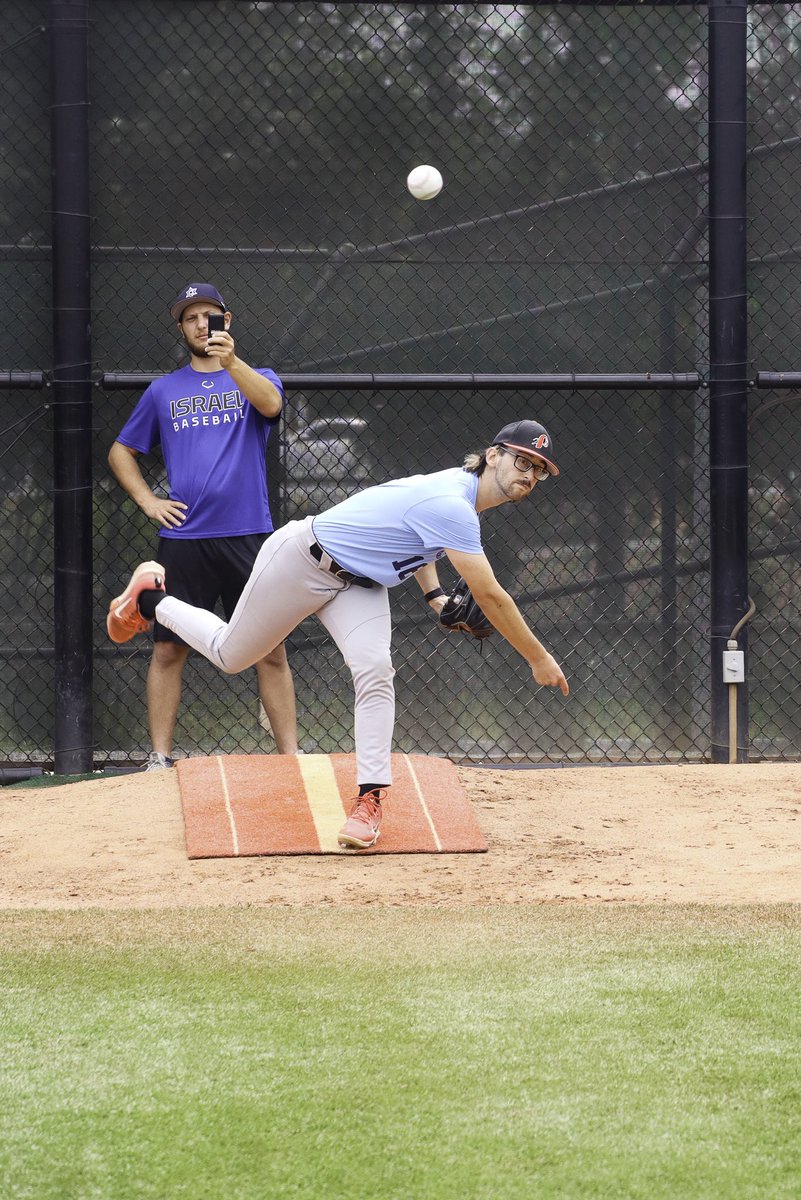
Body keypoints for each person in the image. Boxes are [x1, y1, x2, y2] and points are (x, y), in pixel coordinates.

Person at [106, 418, 569, 845]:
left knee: (375, 670)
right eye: (521, 459)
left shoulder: (456, 494)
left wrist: (434, 597)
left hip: (359, 586)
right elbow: (492, 598)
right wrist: (537, 657)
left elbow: (422, 541)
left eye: (538, 470)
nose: (528, 473)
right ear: (493, 456)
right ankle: (151, 599)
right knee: (231, 656)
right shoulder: (454, 504)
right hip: (302, 560)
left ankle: (368, 802)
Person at [107, 281, 298, 770]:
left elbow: (272, 407)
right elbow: (121, 451)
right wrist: (148, 500)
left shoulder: (257, 377)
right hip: (184, 540)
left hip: (248, 536)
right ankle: (159, 759)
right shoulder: (163, 390)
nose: (200, 324)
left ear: (226, 322)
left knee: (271, 651)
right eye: (190, 317)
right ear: (181, 328)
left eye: (209, 316)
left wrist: (233, 363)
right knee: (170, 650)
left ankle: (290, 760)